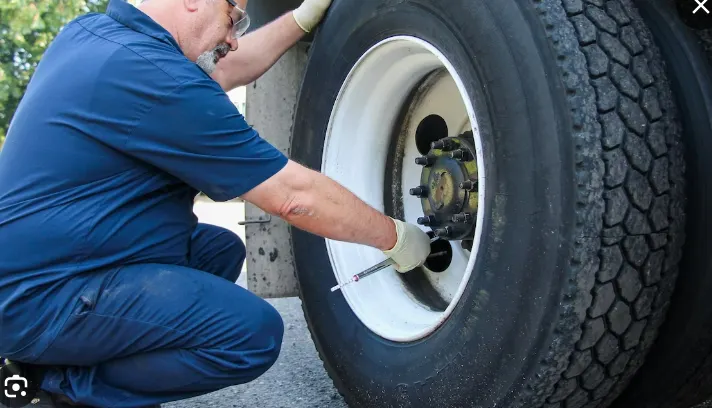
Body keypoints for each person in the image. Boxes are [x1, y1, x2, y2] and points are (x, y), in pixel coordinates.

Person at [0, 0, 432, 406]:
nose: (236, 38)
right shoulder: (156, 78)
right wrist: (393, 236)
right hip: (37, 297)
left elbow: (225, 71)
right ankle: (56, 388)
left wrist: (301, 18)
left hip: (38, 273)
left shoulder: (94, 35)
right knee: (251, 336)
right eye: (234, 18)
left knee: (217, 250)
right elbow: (293, 197)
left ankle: (67, 354)